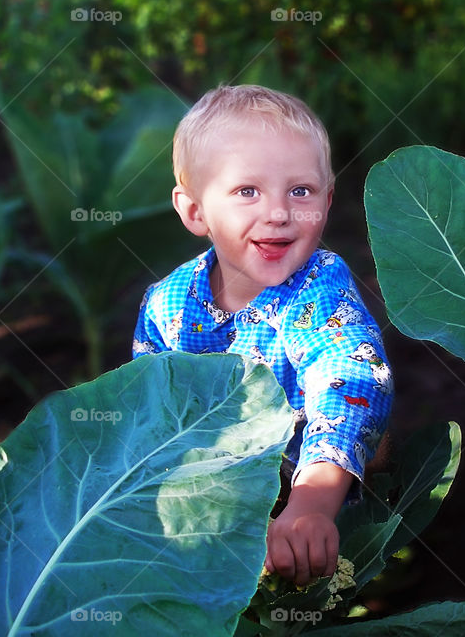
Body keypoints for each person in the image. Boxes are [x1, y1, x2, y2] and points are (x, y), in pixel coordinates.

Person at [132, 84, 393, 586]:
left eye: (300, 191)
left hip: (310, 496)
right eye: (247, 191)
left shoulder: (317, 287)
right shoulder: (165, 305)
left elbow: (351, 376)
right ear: (194, 211)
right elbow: (150, 415)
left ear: (327, 200)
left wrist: (312, 503)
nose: (277, 212)